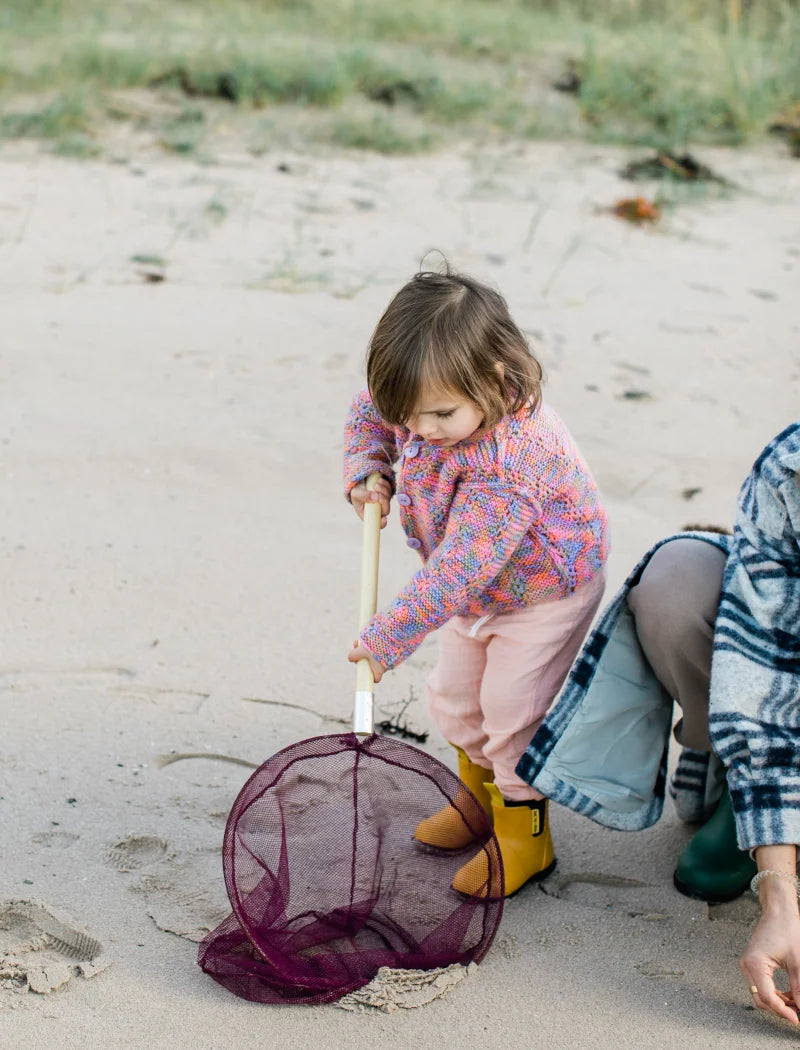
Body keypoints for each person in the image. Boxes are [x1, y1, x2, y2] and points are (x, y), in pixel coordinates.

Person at [516, 420, 800, 1026]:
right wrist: (778, 888)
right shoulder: (792, 464)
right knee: (678, 576)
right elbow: (764, 659)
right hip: (781, 705)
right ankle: (745, 796)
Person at [342, 266, 609, 897]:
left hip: (544, 589)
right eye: (406, 413)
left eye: (439, 414)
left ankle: (524, 834)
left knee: (511, 712)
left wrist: (388, 636)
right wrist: (368, 466)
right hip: (472, 587)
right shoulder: (417, 400)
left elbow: (462, 567)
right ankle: (475, 799)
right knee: (456, 699)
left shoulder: (515, 458)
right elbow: (367, 416)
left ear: (492, 380)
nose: (421, 429)